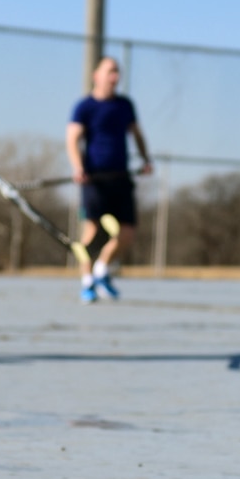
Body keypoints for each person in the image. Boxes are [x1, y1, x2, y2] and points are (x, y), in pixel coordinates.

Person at [66, 55, 153, 302]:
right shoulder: (84, 106)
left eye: (117, 72)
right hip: (94, 179)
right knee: (92, 231)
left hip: (121, 178)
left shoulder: (125, 105)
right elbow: (72, 138)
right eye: (110, 71)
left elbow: (137, 134)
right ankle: (87, 282)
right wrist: (78, 167)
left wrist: (146, 159)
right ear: (97, 75)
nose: (115, 77)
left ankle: (101, 270)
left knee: (127, 232)